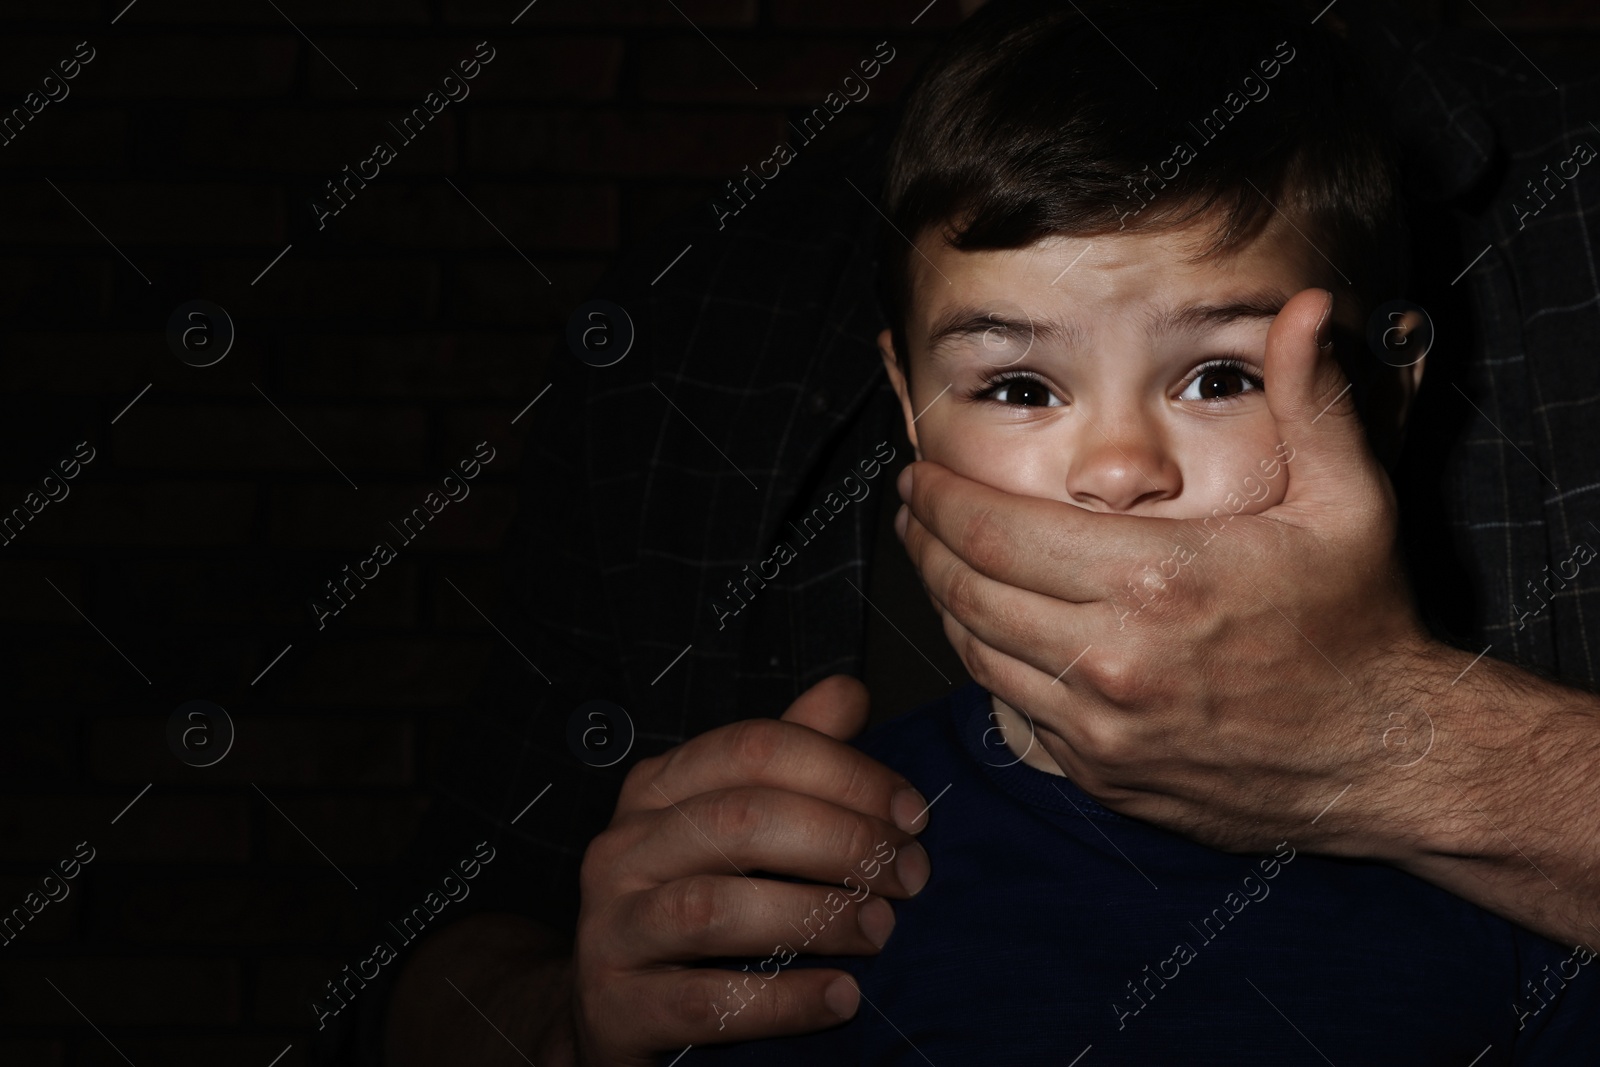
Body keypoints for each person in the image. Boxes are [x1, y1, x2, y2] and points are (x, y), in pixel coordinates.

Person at [312, 0, 1600, 1063]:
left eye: (1220, 375)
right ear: (905, 402)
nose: (1113, 468)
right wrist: (576, 1023)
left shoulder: (1560, 185)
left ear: (1393, 380)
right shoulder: (704, 313)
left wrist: (1391, 739)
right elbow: (441, 941)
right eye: (1021, 387)